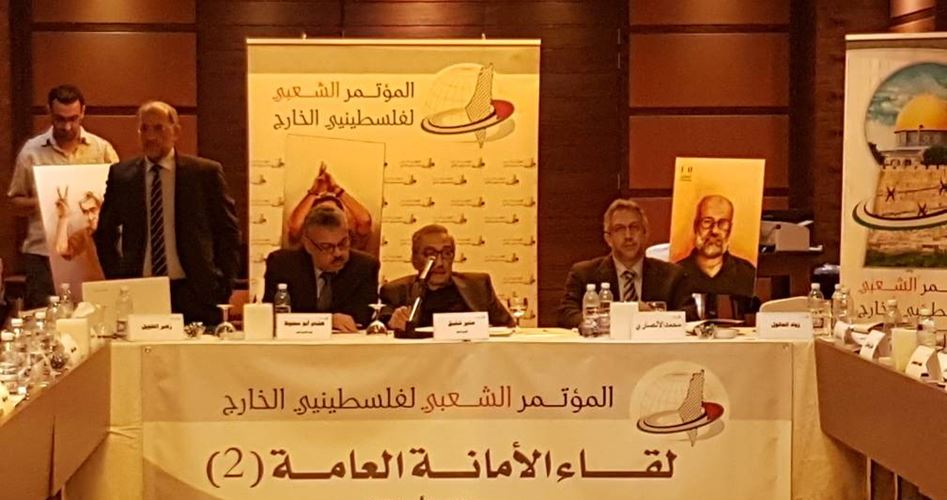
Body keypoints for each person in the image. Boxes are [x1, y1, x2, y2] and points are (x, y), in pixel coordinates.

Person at [93, 101, 240, 325]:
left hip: (196, 291)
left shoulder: (204, 174)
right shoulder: (122, 176)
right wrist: (117, 278)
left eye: (159, 128)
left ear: (176, 132)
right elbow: (105, 233)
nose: (151, 136)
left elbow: (227, 231)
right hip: (140, 290)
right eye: (144, 129)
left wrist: (223, 285)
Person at [8, 84, 118, 308]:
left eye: (73, 119)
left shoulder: (101, 149)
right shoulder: (31, 152)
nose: (67, 126)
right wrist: (45, 200)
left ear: (83, 112)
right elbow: (14, 203)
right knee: (44, 315)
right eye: (60, 119)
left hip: (92, 250)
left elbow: (121, 197)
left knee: (97, 315)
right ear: (49, 112)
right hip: (43, 255)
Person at [558, 198, 697, 328]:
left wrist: (655, 318)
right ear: (608, 238)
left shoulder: (673, 276)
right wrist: (610, 319)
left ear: (645, 233)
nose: (628, 236)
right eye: (619, 229)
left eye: (634, 227)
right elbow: (566, 315)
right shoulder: (584, 274)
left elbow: (690, 316)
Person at [263, 205, 379, 331]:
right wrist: (327, 321)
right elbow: (274, 316)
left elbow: (361, 318)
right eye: (327, 247)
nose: (338, 253)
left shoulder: (365, 267)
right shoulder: (282, 264)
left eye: (343, 243)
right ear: (308, 244)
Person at [381, 224, 513, 329]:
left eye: (447, 253)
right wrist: (392, 324)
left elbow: (507, 327)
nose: (439, 263)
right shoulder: (396, 291)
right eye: (430, 254)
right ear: (414, 260)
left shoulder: (478, 286)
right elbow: (380, 329)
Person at [676, 194, 756, 297]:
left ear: (730, 229)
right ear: (695, 226)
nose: (714, 231)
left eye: (722, 223)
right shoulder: (676, 274)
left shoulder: (747, 274)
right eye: (707, 222)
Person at [287, 162, 373, 251]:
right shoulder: (306, 237)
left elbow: (365, 220)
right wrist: (313, 192)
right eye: (322, 212)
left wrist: (337, 190)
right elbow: (294, 225)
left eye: (332, 212)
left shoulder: (350, 239)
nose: (328, 217)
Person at [54, 189, 105, 280]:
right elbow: (61, 249)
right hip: (100, 285)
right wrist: (63, 217)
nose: (90, 217)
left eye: (93, 210)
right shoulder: (85, 234)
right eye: (85, 212)